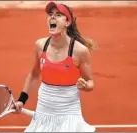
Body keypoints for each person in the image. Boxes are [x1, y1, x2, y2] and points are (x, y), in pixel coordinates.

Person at [14, 1, 96, 132]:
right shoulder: (40, 46)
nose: (52, 17)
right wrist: (21, 101)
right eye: (50, 14)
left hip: (69, 113)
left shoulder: (79, 51)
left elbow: (90, 81)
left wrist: (86, 86)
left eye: (58, 15)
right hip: (44, 109)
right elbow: (34, 75)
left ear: (67, 22)